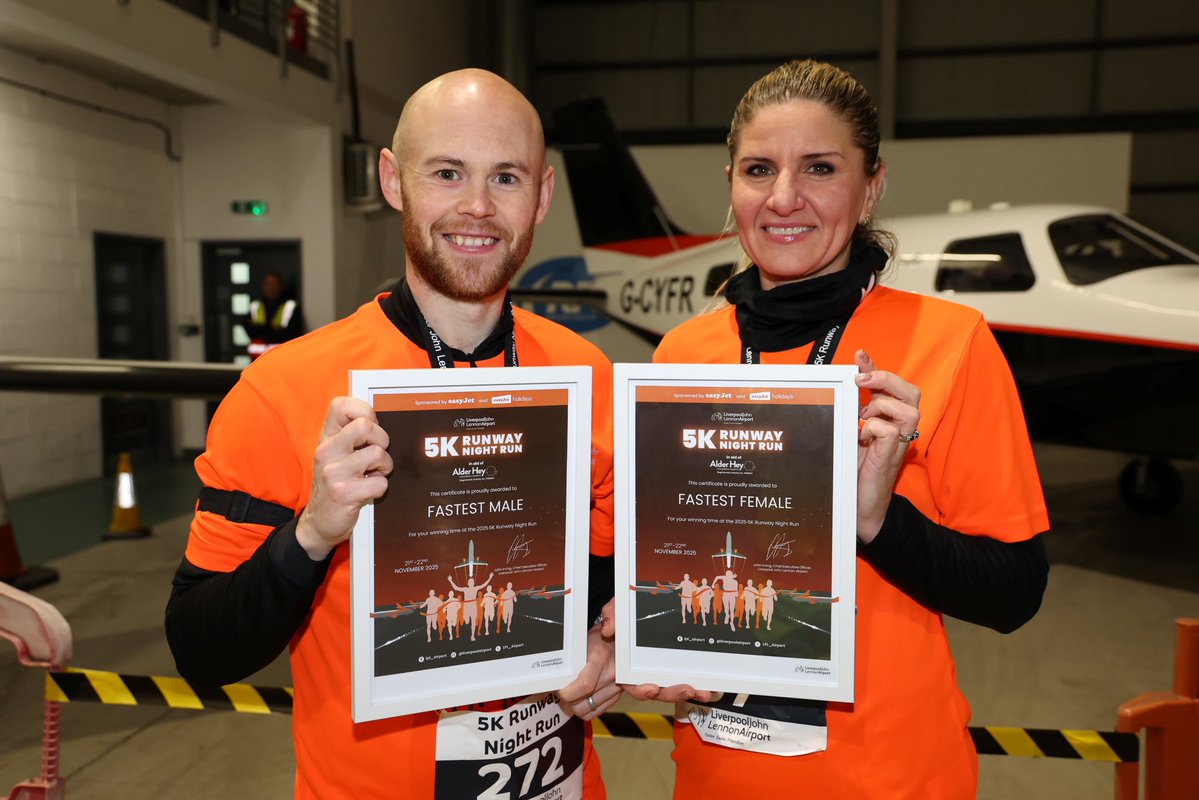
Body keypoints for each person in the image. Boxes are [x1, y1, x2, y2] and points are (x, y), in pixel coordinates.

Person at [166, 69, 620, 800]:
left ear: (541, 197)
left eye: (505, 177)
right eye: (447, 172)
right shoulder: (281, 391)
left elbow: (604, 574)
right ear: (392, 180)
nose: (477, 206)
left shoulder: (586, 374)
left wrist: (610, 638)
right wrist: (312, 533)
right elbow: (200, 649)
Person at [635, 59, 1050, 799]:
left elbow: (1013, 593)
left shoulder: (948, 343)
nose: (783, 198)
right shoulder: (682, 355)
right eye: (759, 169)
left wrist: (878, 523)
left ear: (872, 186)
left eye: (820, 168)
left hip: (891, 779)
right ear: (731, 183)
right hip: (717, 774)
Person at [244, 270, 306, 359]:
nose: (271, 287)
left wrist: (261, 328)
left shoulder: (290, 306)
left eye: (274, 284)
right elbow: (249, 329)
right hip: (258, 359)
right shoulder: (256, 306)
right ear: (263, 286)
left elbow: (293, 333)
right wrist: (271, 328)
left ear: (281, 286)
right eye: (268, 284)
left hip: (282, 357)